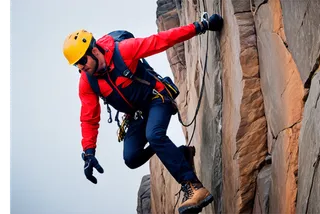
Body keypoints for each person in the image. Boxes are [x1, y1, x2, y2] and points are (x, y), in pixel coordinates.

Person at [62, 13, 223, 214]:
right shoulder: (88, 81)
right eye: (76, 65)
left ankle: (193, 187)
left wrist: (202, 25)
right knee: (131, 158)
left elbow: (162, 40)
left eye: (82, 60)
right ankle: (180, 154)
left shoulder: (123, 51)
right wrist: (88, 153)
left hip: (157, 98)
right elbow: (89, 117)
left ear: (93, 50)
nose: (81, 67)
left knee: (154, 135)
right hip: (137, 115)